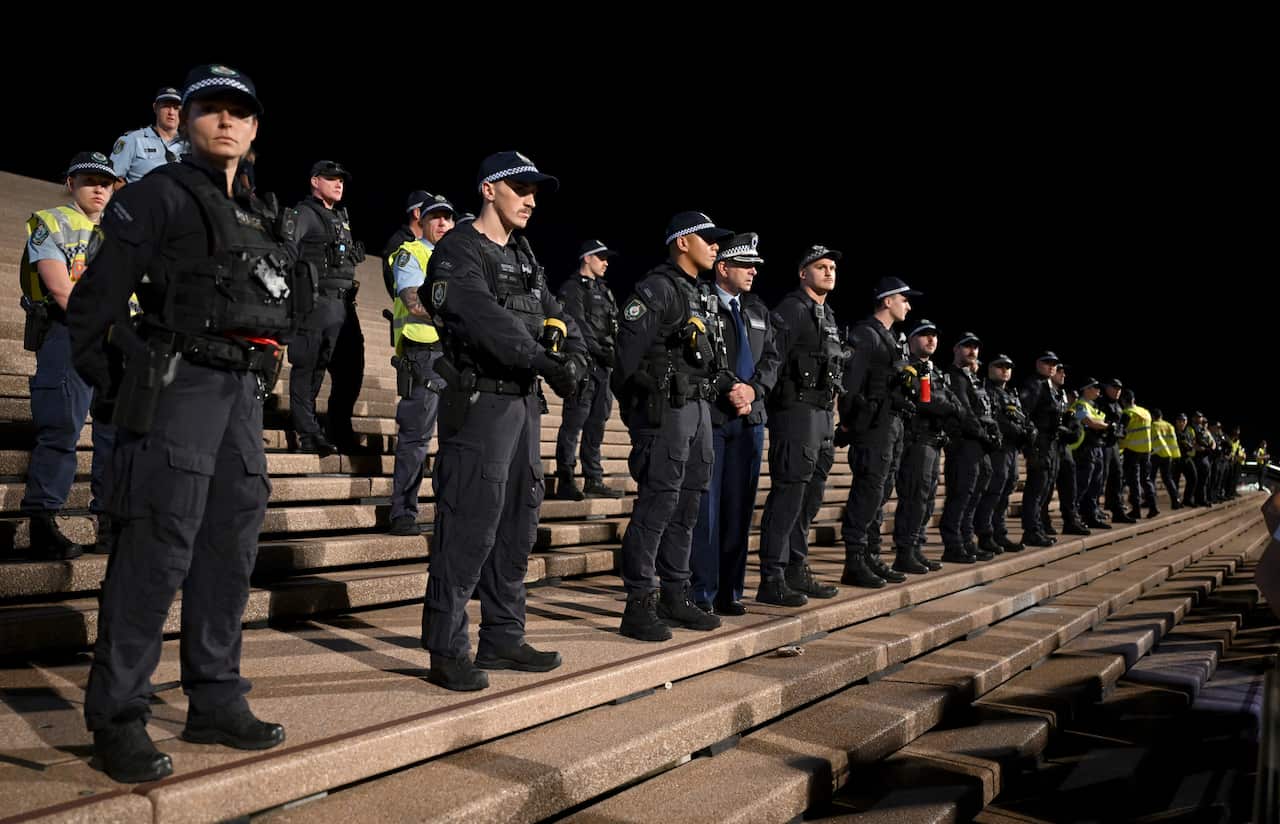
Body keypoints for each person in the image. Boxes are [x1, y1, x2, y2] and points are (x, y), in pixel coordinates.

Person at [71, 64, 289, 784]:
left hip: (238, 395)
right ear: (187, 120)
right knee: (157, 548)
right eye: (211, 109)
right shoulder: (159, 194)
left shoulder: (259, 210)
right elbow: (93, 307)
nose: (226, 122)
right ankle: (118, 715)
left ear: (255, 128)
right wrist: (127, 390)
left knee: (229, 545)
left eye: (240, 112)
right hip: (177, 388)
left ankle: (216, 697)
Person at [419, 151, 587, 689]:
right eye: (521, 189)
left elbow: (555, 309)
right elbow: (478, 314)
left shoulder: (525, 254)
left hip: (521, 403)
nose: (531, 200)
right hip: (478, 406)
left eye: (535, 191)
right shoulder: (458, 249)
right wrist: (542, 359)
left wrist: (573, 354)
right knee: (469, 524)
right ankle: (447, 649)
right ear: (489, 190)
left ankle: (503, 636)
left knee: (518, 521)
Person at [611, 211, 735, 640]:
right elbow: (624, 362)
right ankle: (639, 603)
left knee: (687, 509)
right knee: (658, 506)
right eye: (708, 238)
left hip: (698, 412)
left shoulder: (699, 295)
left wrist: (731, 387)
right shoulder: (656, 289)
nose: (716, 246)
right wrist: (643, 416)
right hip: (665, 413)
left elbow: (710, 361)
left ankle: (675, 594)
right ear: (682, 242)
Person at [18, 152, 119, 559]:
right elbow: (60, 289)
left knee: (114, 436)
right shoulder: (51, 222)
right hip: (69, 334)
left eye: (106, 182)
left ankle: (110, 524)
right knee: (61, 428)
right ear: (70, 183)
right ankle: (43, 521)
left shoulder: (118, 235)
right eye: (90, 180)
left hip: (115, 343)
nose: (98, 188)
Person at [689, 233, 779, 612]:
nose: (753, 272)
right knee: (707, 511)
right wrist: (733, 389)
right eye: (745, 265)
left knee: (739, 509)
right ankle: (702, 593)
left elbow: (773, 360)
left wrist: (754, 391)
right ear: (723, 267)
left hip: (750, 420)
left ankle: (730, 592)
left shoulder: (757, 310)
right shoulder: (701, 303)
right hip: (713, 416)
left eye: (755, 266)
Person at [758, 245, 847, 595]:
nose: (829, 272)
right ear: (802, 273)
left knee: (809, 501)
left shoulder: (828, 314)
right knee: (788, 498)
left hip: (823, 415)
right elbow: (773, 359)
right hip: (796, 413)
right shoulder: (792, 310)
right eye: (821, 266)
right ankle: (772, 578)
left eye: (832, 267)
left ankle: (796, 569)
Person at [837, 277, 922, 587]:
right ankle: (855, 560)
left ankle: (871, 555)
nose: (908, 305)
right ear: (887, 301)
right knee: (868, 491)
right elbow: (850, 385)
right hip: (872, 427)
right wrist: (850, 424)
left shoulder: (889, 337)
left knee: (881, 492)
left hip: (890, 425)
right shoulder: (866, 334)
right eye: (904, 299)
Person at [385, 195, 456, 535]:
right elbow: (412, 303)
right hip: (423, 355)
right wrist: (460, 317)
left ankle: (448, 511)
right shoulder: (411, 253)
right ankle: (403, 512)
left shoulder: (459, 259)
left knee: (454, 441)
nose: (442, 223)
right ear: (423, 222)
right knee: (416, 439)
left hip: (454, 356)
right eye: (436, 218)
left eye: (448, 218)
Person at [285, 160, 366, 456]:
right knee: (307, 366)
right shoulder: (305, 213)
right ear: (314, 181)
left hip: (342, 306)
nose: (339, 183)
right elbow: (288, 251)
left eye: (341, 179)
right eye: (331, 178)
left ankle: (322, 427)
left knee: (332, 368)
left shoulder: (340, 217)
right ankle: (307, 432)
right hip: (315, 302)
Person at [553, 240, 625, 501]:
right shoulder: (572, 290)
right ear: (587, 258)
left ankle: (593, 477)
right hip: (584, 367)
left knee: (597, 425)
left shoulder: (605, 291)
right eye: (601, 257)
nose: (606, 263)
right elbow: (579, 329)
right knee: (574, 424)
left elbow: (614, 329)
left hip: (604, 369)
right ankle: (566, 478)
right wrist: (605, 353)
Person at [109, 87, 187, 185]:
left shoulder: (189, 145)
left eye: (176, 108)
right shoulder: (133, 140)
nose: (171, 112)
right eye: (166, 106)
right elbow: (113, 177)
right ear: (155, 108)